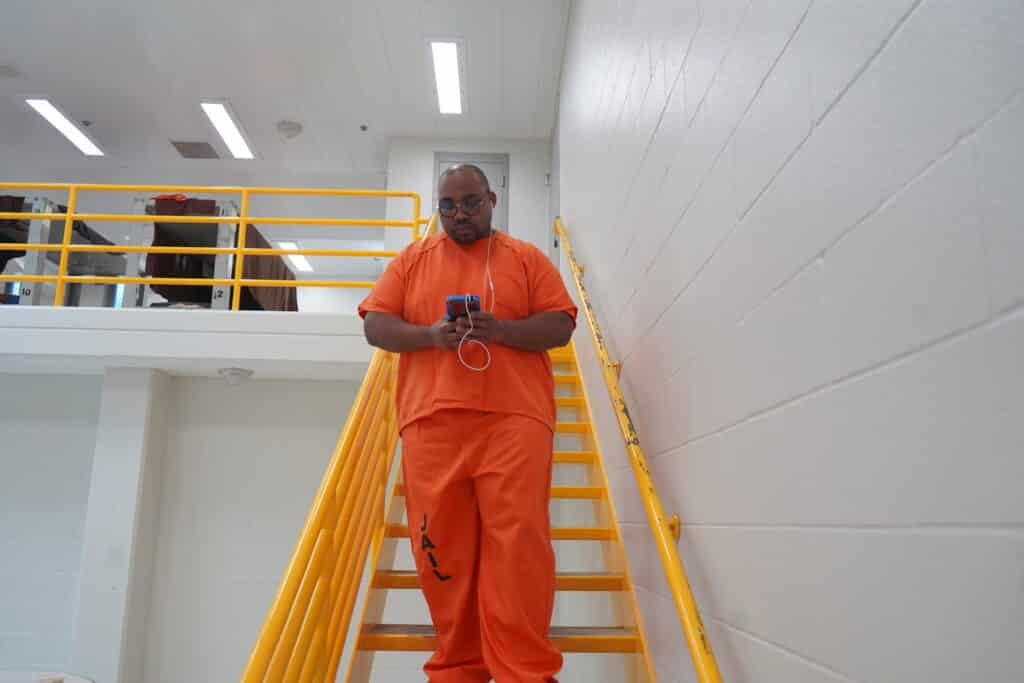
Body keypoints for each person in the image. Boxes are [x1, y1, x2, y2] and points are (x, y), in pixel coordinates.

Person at [359, 164, 577, 682]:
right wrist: (433, 337)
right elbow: (376, 324)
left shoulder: (525, 258)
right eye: (449, 205)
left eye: (471, 202)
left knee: (518, 545)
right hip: (431, 421)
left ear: (492, 199)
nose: (459, 214)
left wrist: (499, 330)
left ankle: (525, 671)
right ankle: (459, 668)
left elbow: (561, 324)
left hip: (513, 418)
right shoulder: (412, 261)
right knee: (442, 550)